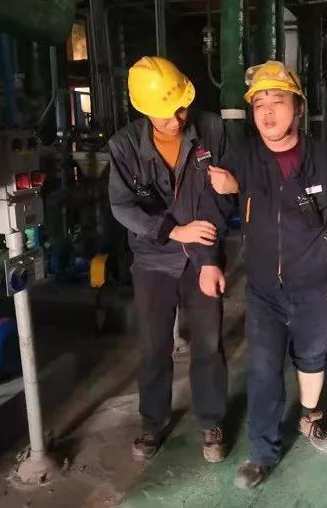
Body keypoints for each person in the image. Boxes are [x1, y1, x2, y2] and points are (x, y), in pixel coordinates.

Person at [207, 61, 327, 489]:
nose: (268, 111)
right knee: (262, 369)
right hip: (263, 289)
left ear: (299, 107)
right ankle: (262, 453)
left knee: (312, 357)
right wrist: (208, 259)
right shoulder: (241, 159)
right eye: (259, 104)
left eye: (277, 100)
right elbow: (213, 209)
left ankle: (310, 418)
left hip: (315, 282)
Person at [108, 56, 229, 463]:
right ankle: (153, 423)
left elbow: (218, 197)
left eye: (181, 109)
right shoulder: (124, 146)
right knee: (154, 346)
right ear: (144, 110)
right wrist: (171, 231)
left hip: (201, 257)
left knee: (208, 344)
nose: (177, 120)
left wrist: (209, 259)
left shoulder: (211, 129)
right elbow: (122, 206)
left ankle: (211, 420)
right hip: (152, 260)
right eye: (166, 114)